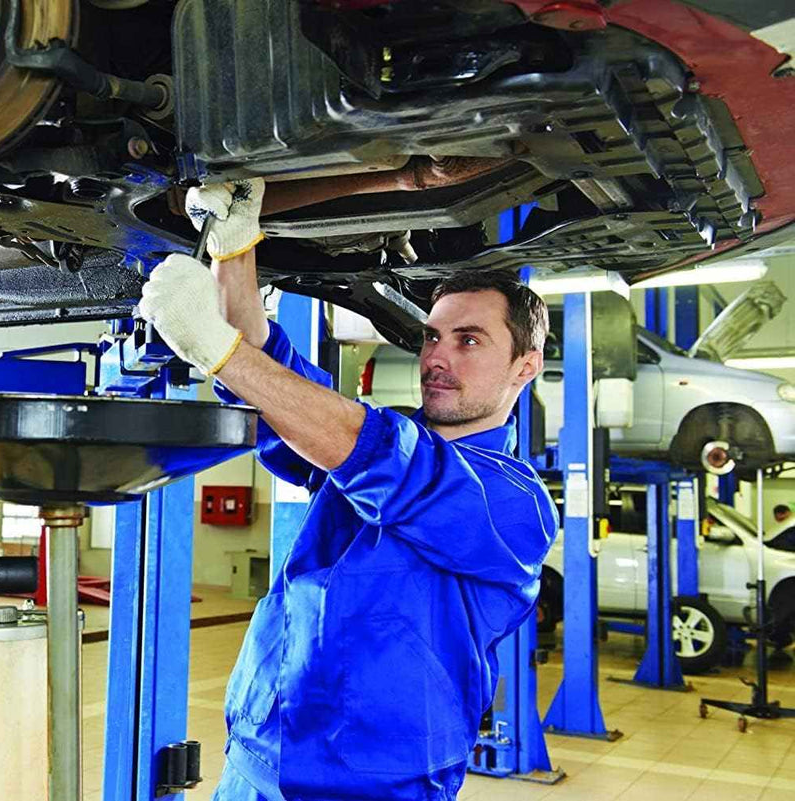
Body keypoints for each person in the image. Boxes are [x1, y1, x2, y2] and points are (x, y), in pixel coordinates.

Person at [139, 179, 558, 800]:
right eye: (432, 337)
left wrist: (215, 349)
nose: (438, 357)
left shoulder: (514, 504)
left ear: (526, 366)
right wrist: (235, 249)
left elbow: (377, 457)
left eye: (469, 340)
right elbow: (280, 390)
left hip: (376, 785)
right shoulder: (364, 435)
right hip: (261, 756)